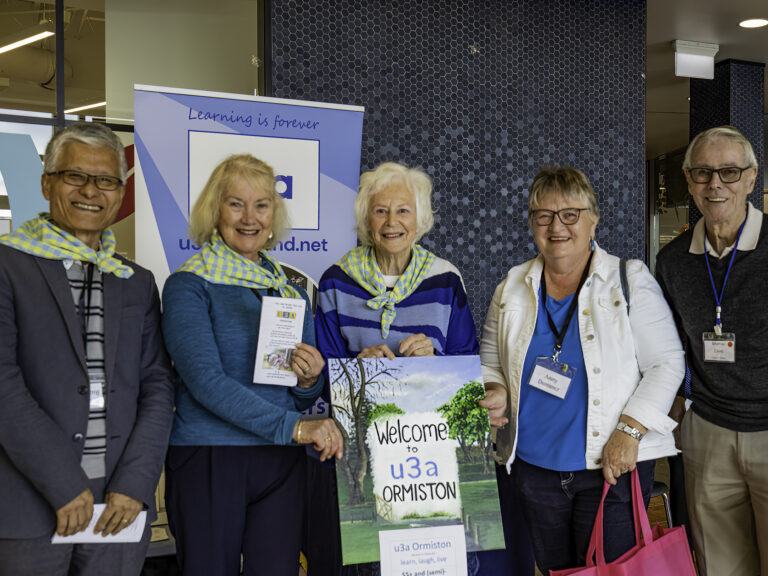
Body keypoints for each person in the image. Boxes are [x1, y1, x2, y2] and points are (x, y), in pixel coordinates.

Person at [312, 162, 532, 575]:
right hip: (366, 453)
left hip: (435, 451)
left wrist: (435, 362)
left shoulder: (445, 280)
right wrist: (356, 369)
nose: (392, 222)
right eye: (380, 211)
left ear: (421, 219)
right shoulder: (334, 282)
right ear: (365, 219)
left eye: (403, 211)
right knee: (374, 562)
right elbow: (322, 377)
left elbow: (469, 366)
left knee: (435, 558)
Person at [479, 166, 684, 573]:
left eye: (570, 214)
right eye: (544, 215)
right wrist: (495, 388)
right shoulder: (511, 287)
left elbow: (667, 363)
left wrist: (629, 432)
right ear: (532, 223)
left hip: (610, 470)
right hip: (534, 470)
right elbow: (490, 360)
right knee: (556, 569)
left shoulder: (629, 280)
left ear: (593, 220)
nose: (557, 226)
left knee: (613, 569)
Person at [0, 122, 175, 576]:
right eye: (75, 176)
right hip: (27, 503)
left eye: (106, 180)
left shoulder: (136, 281)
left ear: (120, 193)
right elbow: (2, 385)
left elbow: (157, 386)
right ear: (46, 183)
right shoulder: (7, 264)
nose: (90, 191)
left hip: (119, 504)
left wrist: (136, 484)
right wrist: (62, 481)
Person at [161, 154, 342, 576]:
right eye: (235, 204)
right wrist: (294, 427)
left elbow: (300, 394)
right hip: (211, 456)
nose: (249, 218)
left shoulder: (289, 289)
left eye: (261, 205)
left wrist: (309, 380)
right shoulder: (189, 284)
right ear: (215, 210)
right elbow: (205, 382)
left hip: (279, 458)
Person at [655, 125, 768, 576]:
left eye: (728, 171)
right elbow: (672, 345)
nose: (715, 184)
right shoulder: (672, 259)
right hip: (708, 433)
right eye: (703, 173)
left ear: (751, 177)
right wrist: (677, 415)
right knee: (720, 566)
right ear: (688, 180)